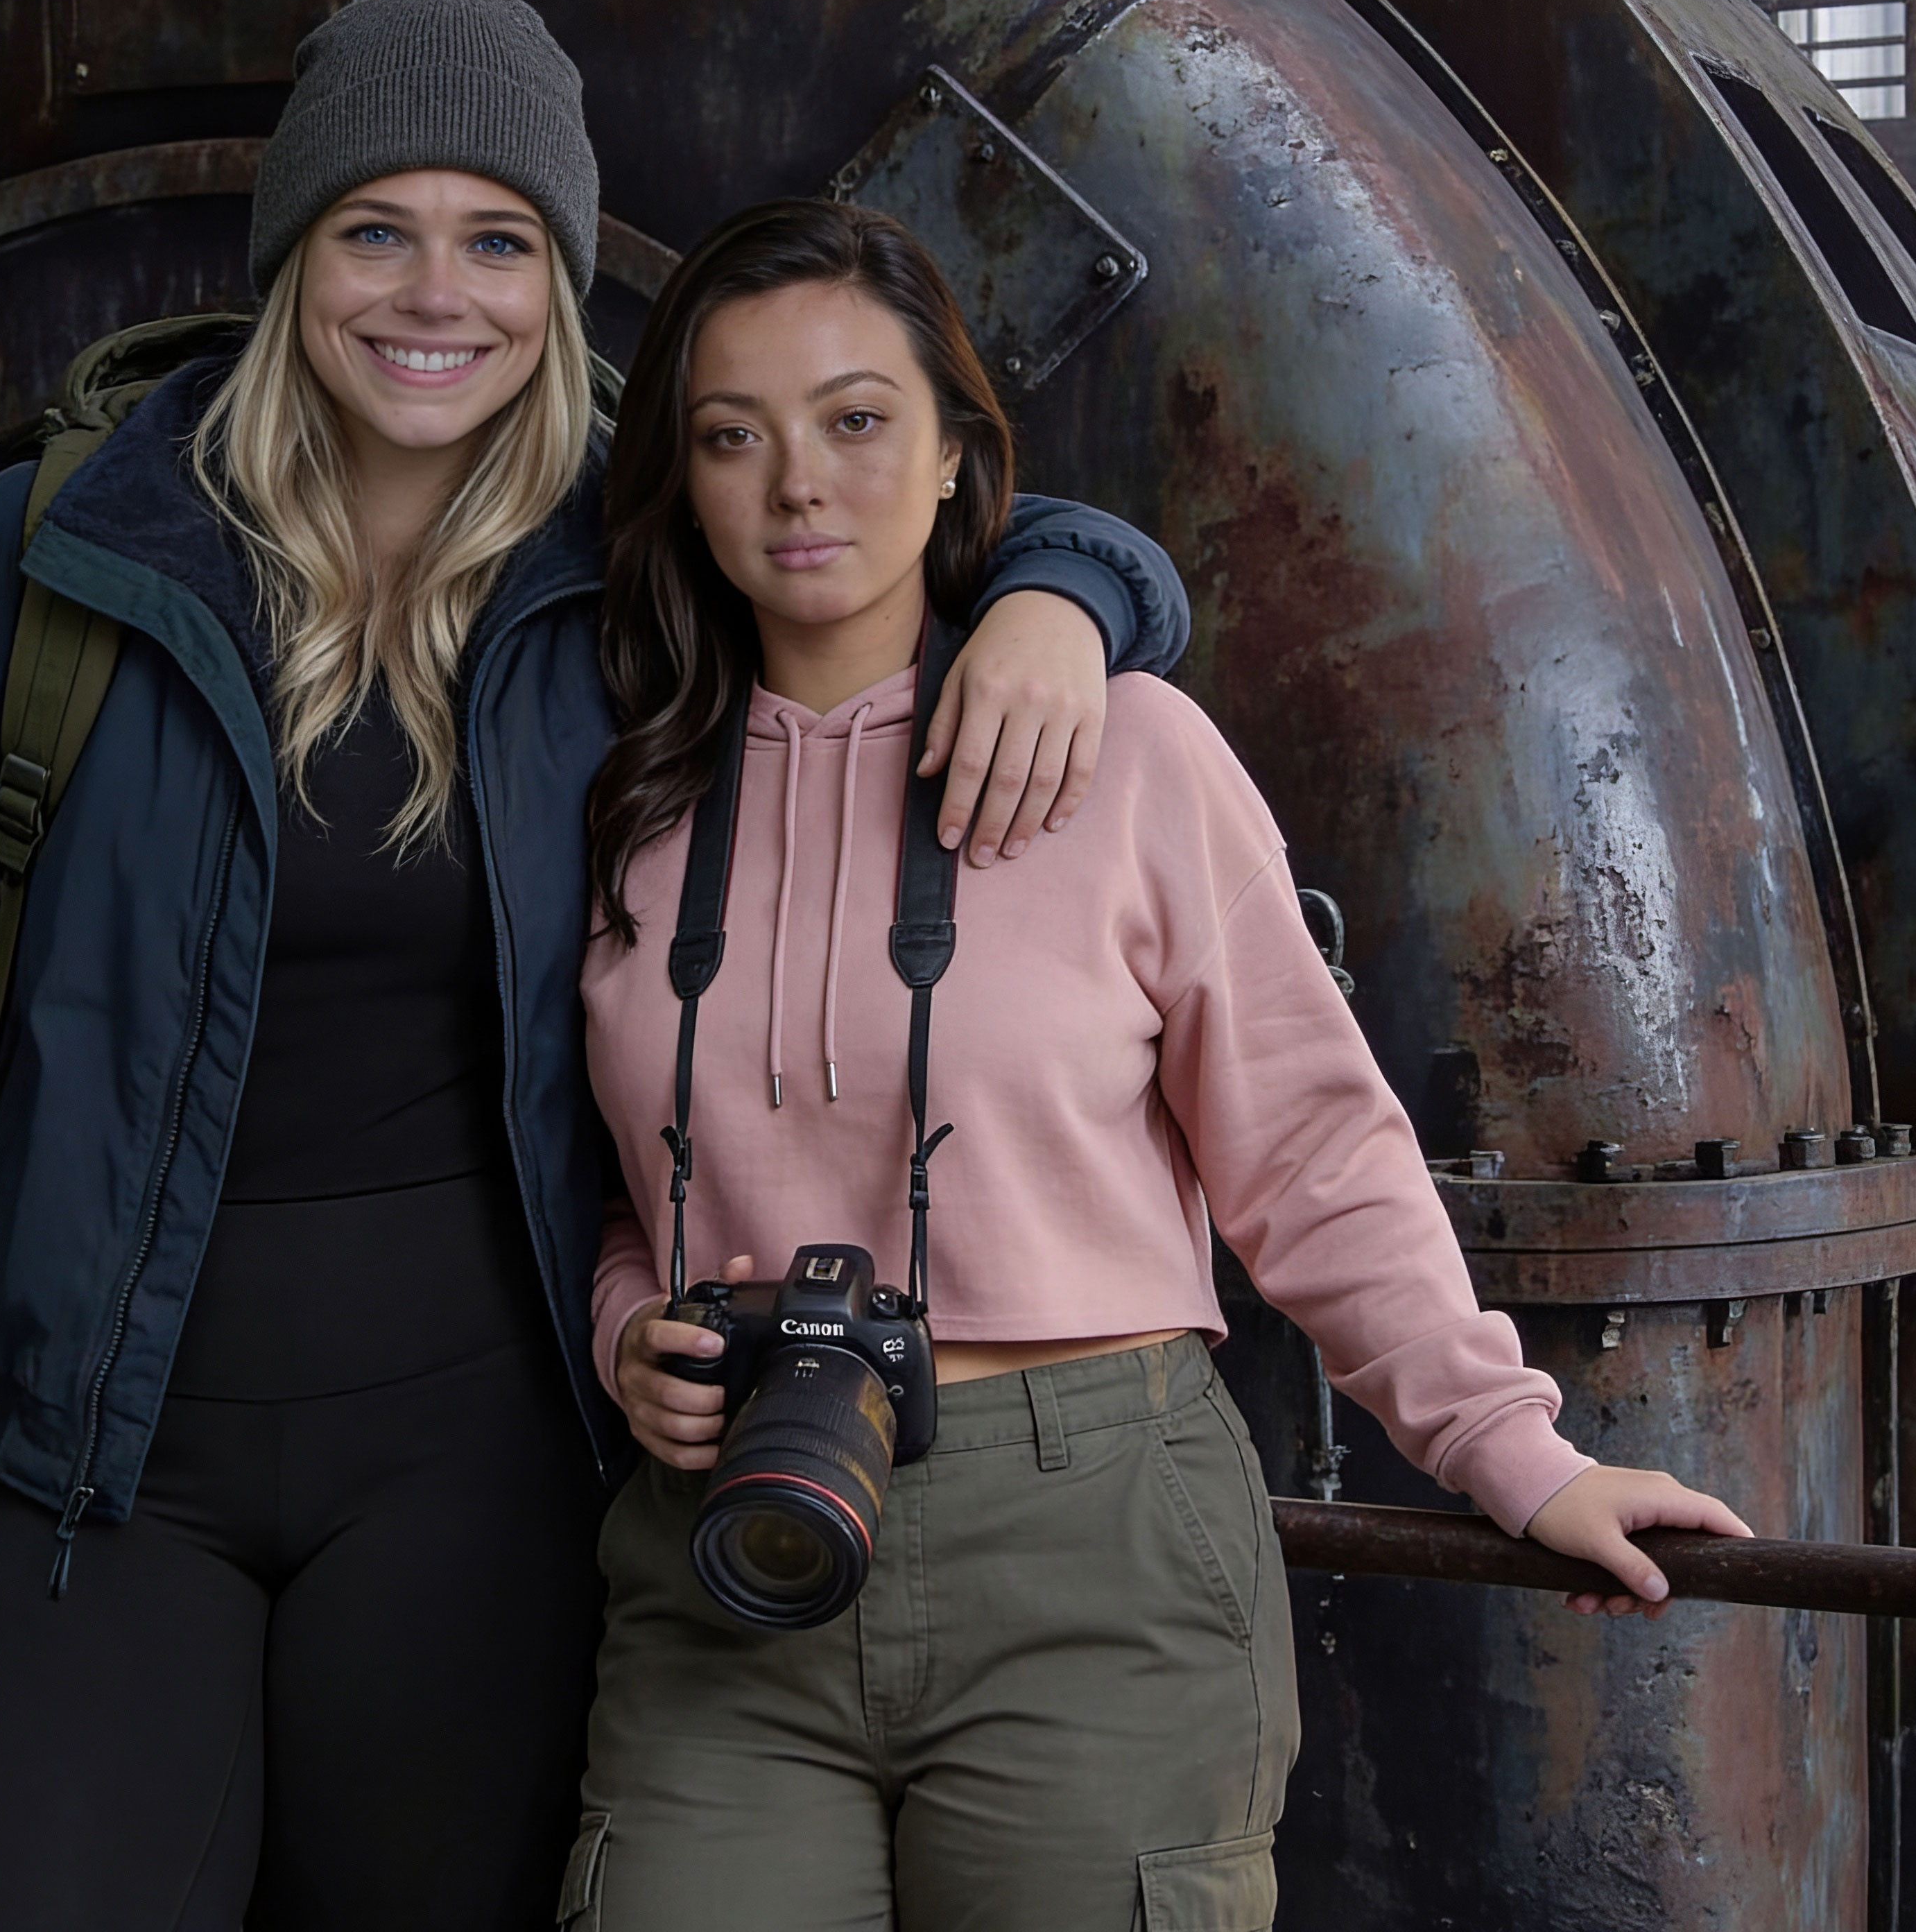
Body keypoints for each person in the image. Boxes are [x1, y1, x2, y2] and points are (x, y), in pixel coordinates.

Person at [0, 0, 1195, 1932]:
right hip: (94, 1444)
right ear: (293, 248)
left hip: (480, 1467)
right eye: (377, 228)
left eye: (498, 240)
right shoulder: (53, 550)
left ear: (555, 278)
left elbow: (877, 525)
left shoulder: (636, 565)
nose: (434, 294)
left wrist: (1071, 588)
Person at [568, 197, 1752, 1932]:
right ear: (680, 478)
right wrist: (630, 1328)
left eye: (855, 418)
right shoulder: (628, 789)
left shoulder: (1125, 748)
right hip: (731, 1527)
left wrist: (1516, 1453)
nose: (797, 482)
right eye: (731, 435)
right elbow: (617, 1180)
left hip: (1090, 1534)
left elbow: (1312, 1151)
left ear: (958, 454)